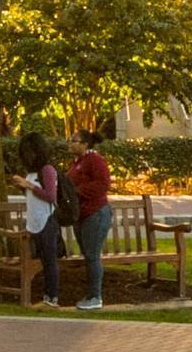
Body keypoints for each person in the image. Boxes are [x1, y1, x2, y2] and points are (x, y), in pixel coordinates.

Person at [6, 133, 61, 308]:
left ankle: (52, 297)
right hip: (34, 221)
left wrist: (29, 185)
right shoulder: (31, 173)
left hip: (47, 221)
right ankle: (45, 295)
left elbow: (51, 196)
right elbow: (34, 197)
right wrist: (24, 187)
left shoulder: (47, 170)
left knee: (50, 261)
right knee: (43, 260)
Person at [66, 131, 113, 311]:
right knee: (88, 255)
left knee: (93, 255)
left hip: (96, 214)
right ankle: (91, 294)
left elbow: (103, 184)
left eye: (74, 141)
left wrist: (78, 191)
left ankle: (96, 297)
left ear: (85, 144)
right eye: (70, 141)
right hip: (82, 215)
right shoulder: (78, 162)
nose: (70, 144)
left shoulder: (95, 160)